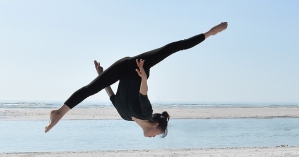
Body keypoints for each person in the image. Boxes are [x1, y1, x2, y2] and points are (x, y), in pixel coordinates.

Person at [45, 22, 228, 137]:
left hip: (121, 69)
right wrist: (143, 75)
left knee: (91, 88)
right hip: (136, 67)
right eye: (159, 133)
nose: (156, 136)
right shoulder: (146, 113)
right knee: (172, 48)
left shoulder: (126, 116)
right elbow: (143, 93)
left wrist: (101, 76)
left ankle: (59, 112)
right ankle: (210, 32)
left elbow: (111, 95)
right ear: (155, 125)